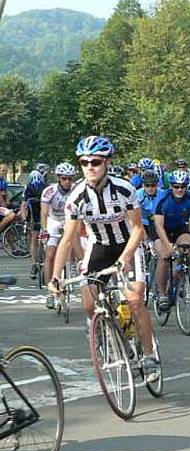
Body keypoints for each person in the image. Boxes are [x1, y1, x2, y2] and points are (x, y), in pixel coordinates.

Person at [49, 136, 159, 380]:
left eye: (96, 162)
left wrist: (125, 259)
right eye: (84, 162)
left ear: (106, 162)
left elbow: (139, 229)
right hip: (100, 246)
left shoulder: (124, 189)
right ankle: (108, 330)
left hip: (128, 244)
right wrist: (55, 276)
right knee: (88, 303)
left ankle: (149, 354)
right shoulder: (76, 197)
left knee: (135, 299)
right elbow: (68, 239)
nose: (90, 167)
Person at [153, 169, 190, 311]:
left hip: (179, 227)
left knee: (188, 249)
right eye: (176, 186)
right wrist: (167, 245)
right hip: (161, 229)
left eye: (183, 186)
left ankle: (179, 277)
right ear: (171, 186)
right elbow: (158, 225)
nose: (179, 189)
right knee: (164, 256)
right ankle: (162, 294)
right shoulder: (163, 198)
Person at [41, 163, 80, 309]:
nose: (67, 182)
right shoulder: (49, 191)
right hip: (53, 220)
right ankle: (49, 293)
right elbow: (44, 213)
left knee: (75, 240)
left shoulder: (77, 190)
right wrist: (44, 229)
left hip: (70, 219)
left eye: (70, 179)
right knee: (50, 255)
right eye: (64, 179)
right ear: (59, 178)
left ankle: (77, 265)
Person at [19, 169, 46, 279]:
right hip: (33, 213)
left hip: (45, 211)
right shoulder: (27, 188)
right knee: (34, 239)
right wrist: (24, 219)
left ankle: (47, 260)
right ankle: (34, 264)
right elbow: (24, 205)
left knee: (47, 239)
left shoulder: (46, 188)